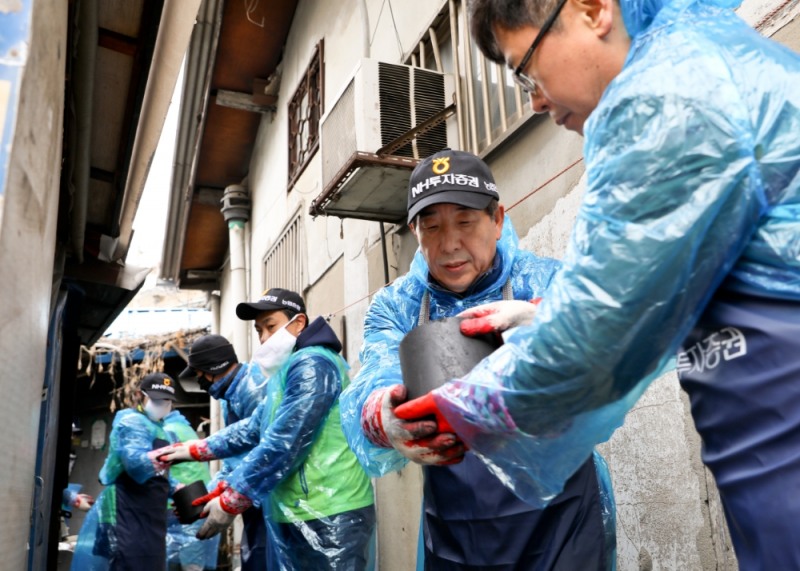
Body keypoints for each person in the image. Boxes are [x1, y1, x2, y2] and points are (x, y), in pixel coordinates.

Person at [392, 0, 800, 568]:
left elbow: (598, 330)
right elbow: (643, 301)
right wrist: (546, 322)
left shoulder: (665, 96)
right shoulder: (698, 60)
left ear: (590, 9)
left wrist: (459, 410)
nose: (534, 100)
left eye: (529, 70)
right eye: (431, 228)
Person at [340, 149, 616, 570]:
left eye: (465, 222)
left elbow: (618, 353)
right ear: (415, 231)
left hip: (561, 515)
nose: (449, 244)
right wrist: (383, 415)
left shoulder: (548, 282)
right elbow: (376, 376)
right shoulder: (399, 306)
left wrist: (551, 325)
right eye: (431, 226)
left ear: (498, 218)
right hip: (458, 522)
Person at [160, 288, 376, 570]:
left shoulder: (313, 363)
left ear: (298, 323)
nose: (263, 339)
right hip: (299, 509)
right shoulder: (283, 373)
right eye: (259, 330)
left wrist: (231, 500)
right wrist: (195, 449)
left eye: (270, 326)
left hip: (330, 509)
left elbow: (286, 441)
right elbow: (253, 428)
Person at [71, 373, 183, 571]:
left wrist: (178, 489)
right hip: (125, 513)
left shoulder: (165, 431)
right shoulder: (131, 423)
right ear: (142, 396)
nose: (162, 405)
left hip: (152, 517)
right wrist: (172, 453)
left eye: (167, 400)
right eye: (157, 399)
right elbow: (136, 465)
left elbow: (160, 475)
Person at [179, 334, 269, 571]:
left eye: (200, 376)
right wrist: (213, 492)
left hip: (267, 499)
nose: (201, 383)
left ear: (212, 368)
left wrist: (230, 498)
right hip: (250, 498)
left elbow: (266, 453)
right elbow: (234, 460)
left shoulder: (254, 388)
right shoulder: (230, 395)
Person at [163, 410, 220, 571]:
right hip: (200, 497)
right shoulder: (185, 428)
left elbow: (157, 467)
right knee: (194, 553)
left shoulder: (167, 430)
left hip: (180, 501)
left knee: (178, 557)